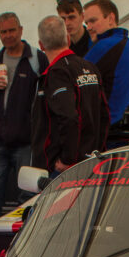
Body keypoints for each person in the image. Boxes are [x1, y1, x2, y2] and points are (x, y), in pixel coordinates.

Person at [0, 13, 48, 221]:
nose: (8, 35)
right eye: (3, 32)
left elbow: (48, 96)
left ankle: (25, 241)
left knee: (27, 196)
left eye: (11, 30)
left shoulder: (36, 58)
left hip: (26, 142)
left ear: (21, 30)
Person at [30, 16, 108, 174]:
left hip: (62, 168)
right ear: (67, 38)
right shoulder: (90, 67)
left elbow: (69, 117)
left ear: (40, 45)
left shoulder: (57, 73)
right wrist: (97, 153)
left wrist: (68, 159)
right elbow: (104, 115)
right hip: (91, 162)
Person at [83, 0, 129, 126]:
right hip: (117, 124)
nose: (89, 27)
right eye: (87, 23)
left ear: (110, 18)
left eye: (93, 21)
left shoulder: (107, 45)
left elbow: (72, 76)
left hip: (106, 129)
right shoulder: (124, 43)